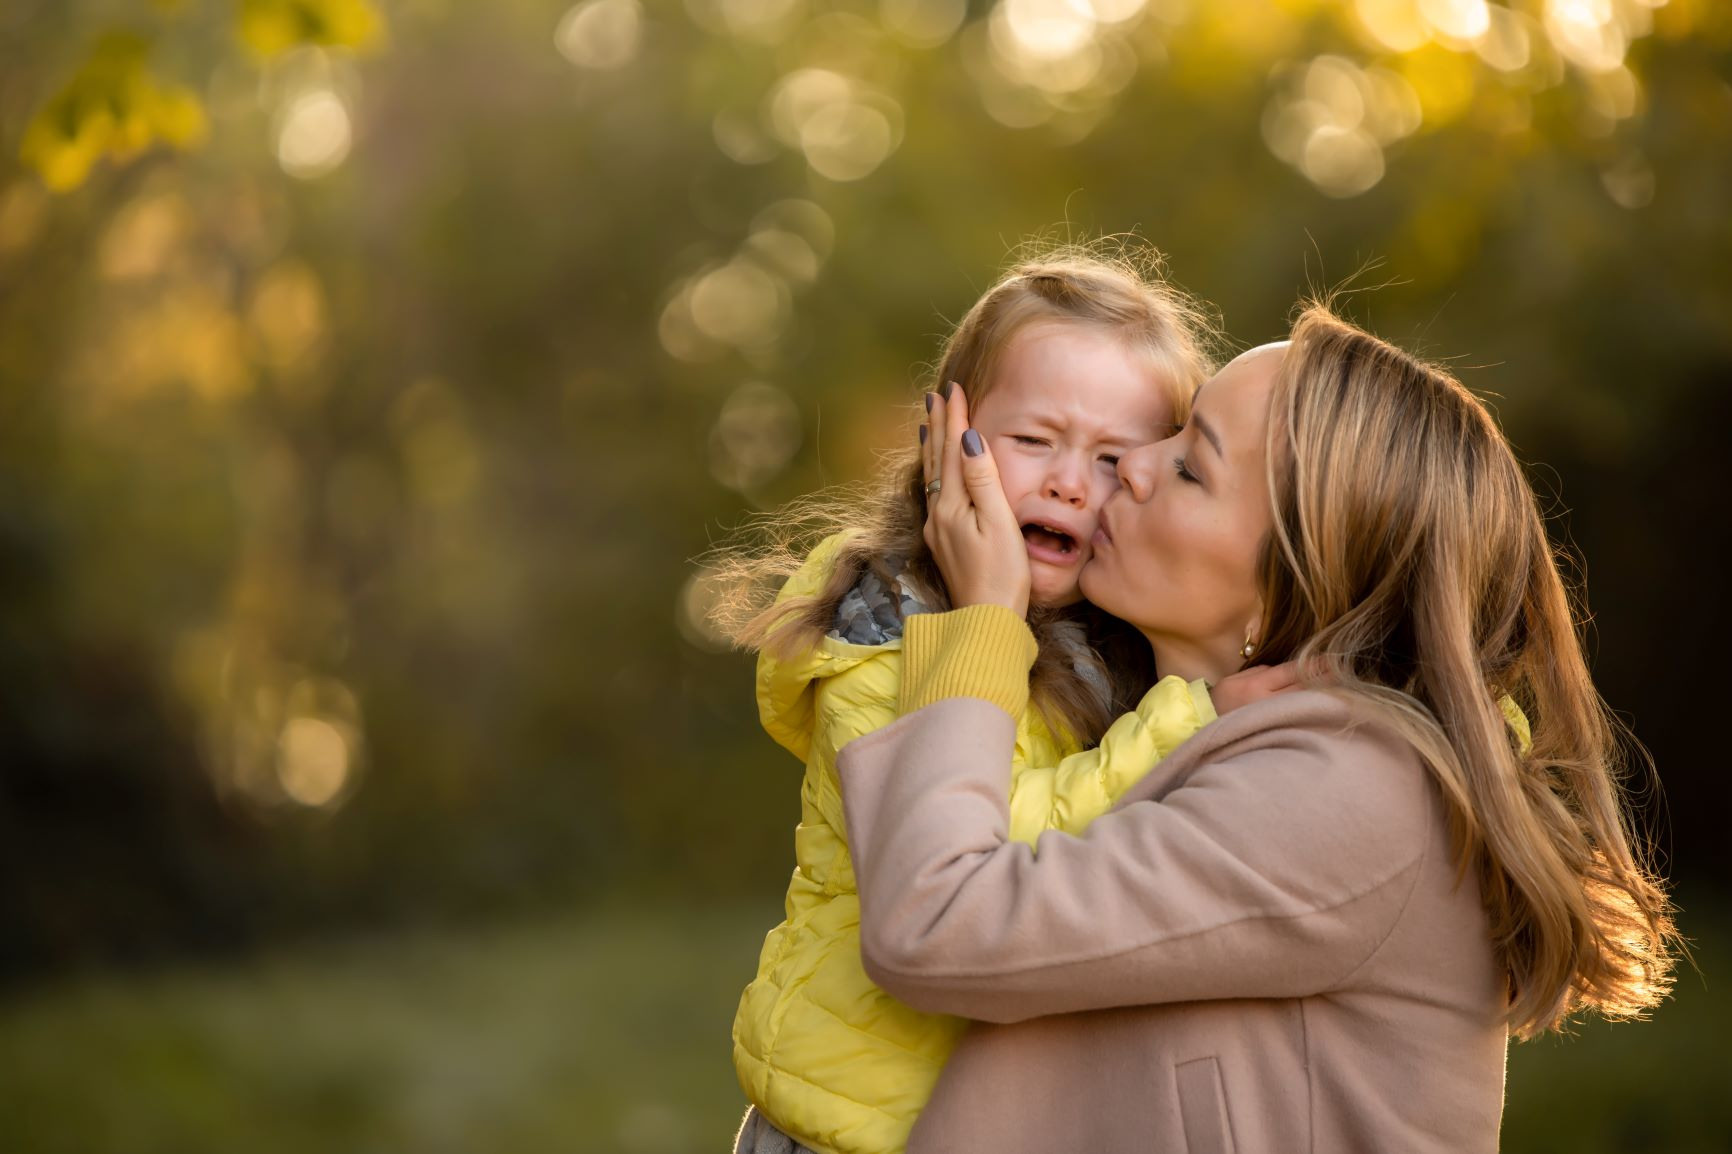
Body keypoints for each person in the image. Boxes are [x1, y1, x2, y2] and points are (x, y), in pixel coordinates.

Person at [834, 304, 1678, 1153]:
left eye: (1190, 466)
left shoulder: (1348, 790)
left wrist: (984, 622)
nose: (1131, 465)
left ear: (1292, 588)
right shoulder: (1173, 723)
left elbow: (935, 923)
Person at [713, 248, 1284, 1154]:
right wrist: (1197, 717)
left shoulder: (1116, 633)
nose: (1068, 482)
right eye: (1033, 441)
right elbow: (989, 862)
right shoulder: (884, 629)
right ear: (948, 437)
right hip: (851, 1128)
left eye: (1113, 458)